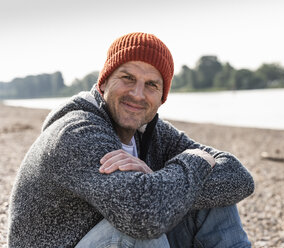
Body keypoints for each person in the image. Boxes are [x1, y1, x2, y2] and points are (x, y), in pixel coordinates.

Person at [8, 32, 255, 247]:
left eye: (151, 85)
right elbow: (142, 217)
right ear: (103, 82)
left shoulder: (153, 132)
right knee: (137, 230)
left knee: (214, 198)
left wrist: (157, 182)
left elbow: (240, 179)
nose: (137, 94)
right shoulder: (76, 132)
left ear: (162, 98)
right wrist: (192, 163)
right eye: (127, 78)